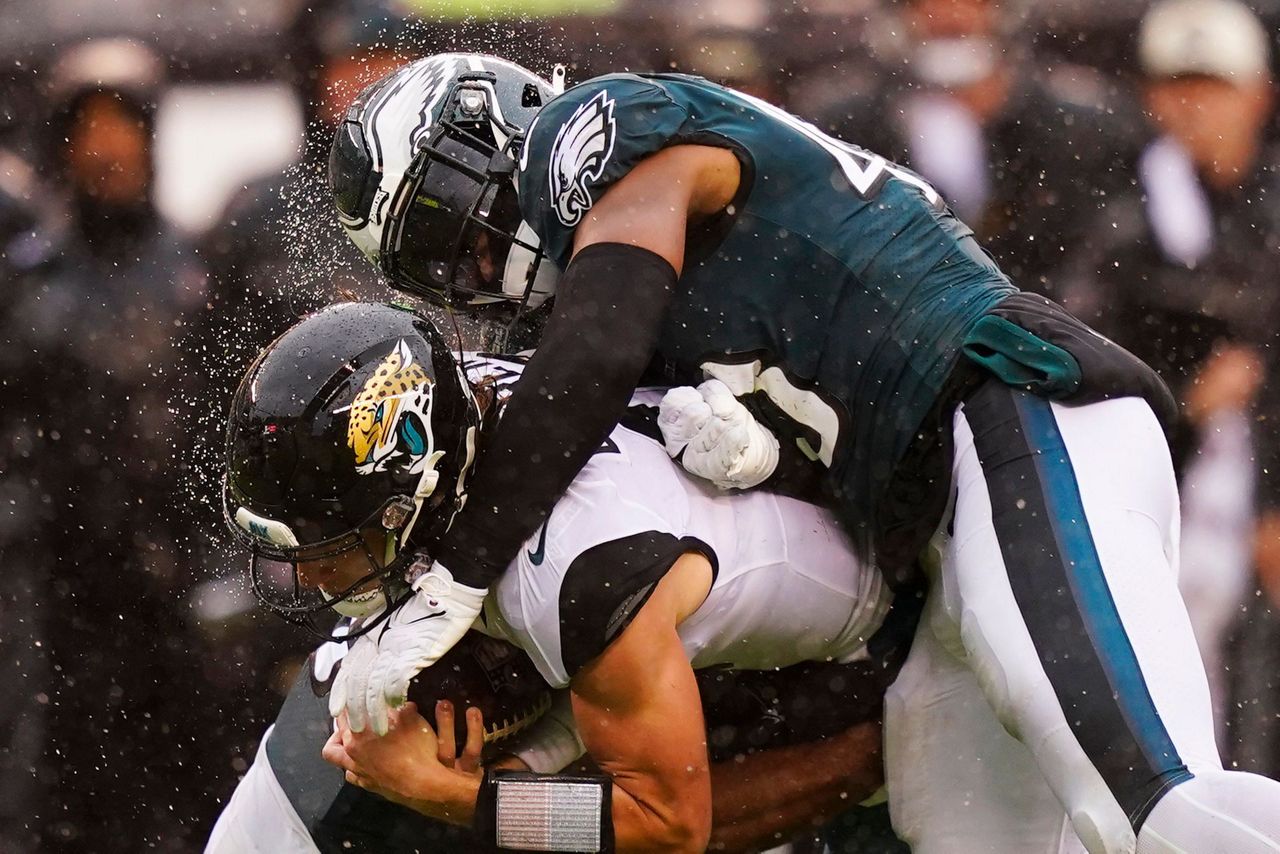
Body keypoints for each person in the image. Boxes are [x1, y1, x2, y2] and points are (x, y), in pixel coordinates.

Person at [325, 54, 1280, 851]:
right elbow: (667, 827)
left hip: (1009, 414)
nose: (484, 278)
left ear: (495, 138)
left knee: (1146, 804)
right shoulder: (592, 477)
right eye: (447, 274)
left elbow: (595, 352)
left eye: (460, 236)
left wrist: (451, 586)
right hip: (935, 534)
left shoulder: (600, 127)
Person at [219, 301, 902, 851]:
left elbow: (671, 826)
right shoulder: (476, 395)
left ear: (416, 484)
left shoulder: (572, 577)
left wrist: (454, 798)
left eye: (327, 543)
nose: (308, 576)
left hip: (867, 660)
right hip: (737, 597)